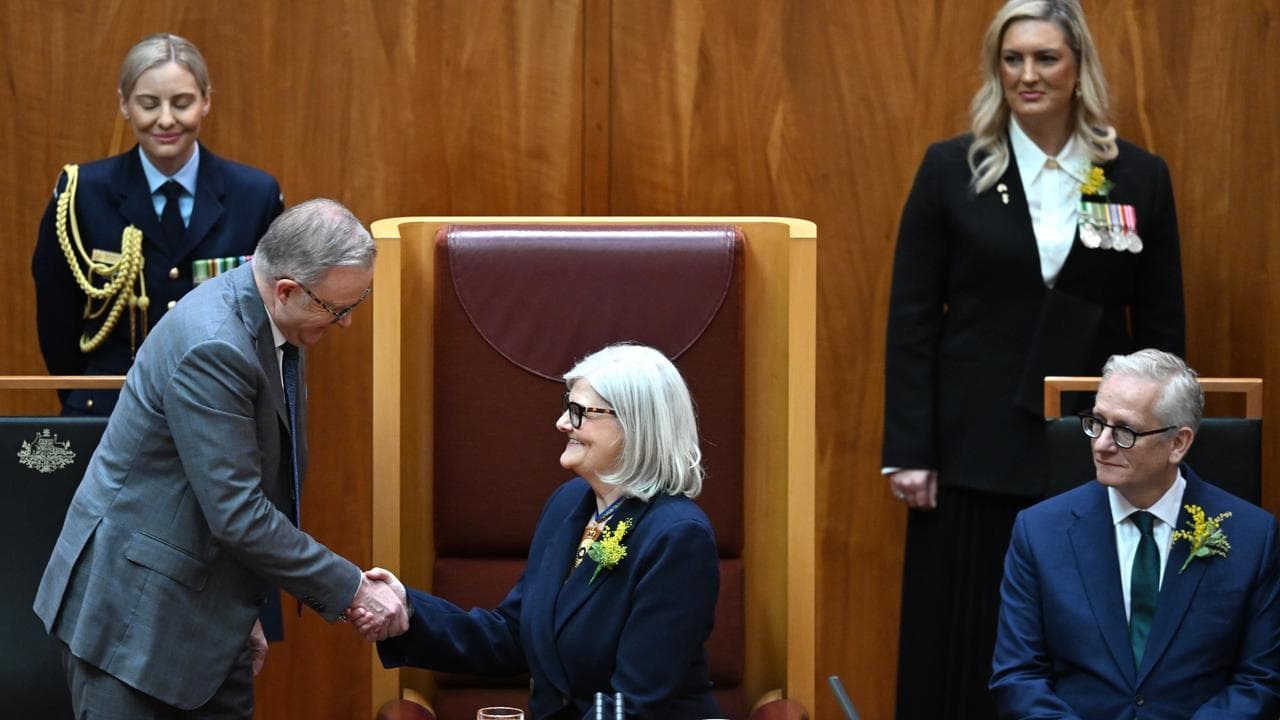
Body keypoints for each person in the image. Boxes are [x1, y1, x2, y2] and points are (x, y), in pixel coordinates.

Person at [881, 1, 1185, 717]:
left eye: (1045, 57)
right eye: (1012, 59)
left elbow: (1163, 326)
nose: (1028, 75)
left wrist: (1163, 444)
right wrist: (909, 450)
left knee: (1081, 630)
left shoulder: (1135, 176)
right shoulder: (950, 168)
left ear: (1078, 67)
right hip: (971, 448)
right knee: (965, 633)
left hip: (1095, 443)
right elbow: (912, 320)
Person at [34, 199, 407, 719]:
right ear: (286, 290)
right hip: (134, 624)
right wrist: (353, 589)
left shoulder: (275, 319)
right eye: (337, 309)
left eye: (354, 305)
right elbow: (237, 512)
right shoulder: (215, 346)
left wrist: (236, 606)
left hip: (208, 611)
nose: (343, 324)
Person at [356, 343, 722, 719]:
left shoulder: (677, 536)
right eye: (568, 406)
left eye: (580, 412)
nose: (562, 422)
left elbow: (634, 706)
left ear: (634, 425)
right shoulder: (570, 503)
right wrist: (409, 610)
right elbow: (514, 635)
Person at [991, 349, 1280, 718]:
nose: (1101, 444)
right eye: (1096, 422)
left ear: (1178, 443)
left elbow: (1260, 679)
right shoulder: (1039, 531)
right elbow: (1018, 675)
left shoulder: (1252, 536)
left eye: (1124, 431)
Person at [32, 32, 283, 416]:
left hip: (220, 410)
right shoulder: (81, 193)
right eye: (149, 104)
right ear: (125, 105)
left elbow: (273, 319)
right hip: (109, 411)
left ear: (206, 101)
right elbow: (57, 317)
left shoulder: (254, 195)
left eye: (182, 103)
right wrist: (80, 395)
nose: (166, 119)